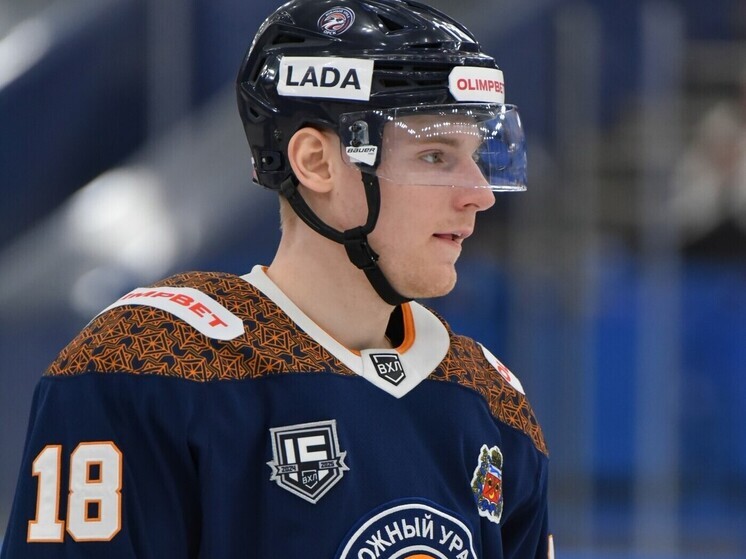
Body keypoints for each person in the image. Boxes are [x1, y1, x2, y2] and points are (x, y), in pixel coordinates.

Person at [1, 0, 551, 557]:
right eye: (434, 155)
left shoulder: (490, 399)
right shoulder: (149, 361)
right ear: (316, 162)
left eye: (478, 156)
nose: (479, 194)